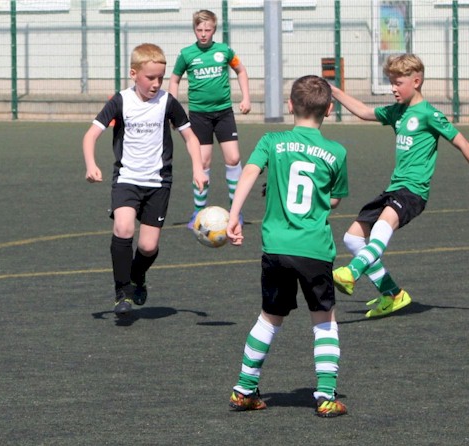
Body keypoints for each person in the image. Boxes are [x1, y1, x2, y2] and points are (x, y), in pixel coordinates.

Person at [329, 53, 469, 318]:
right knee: (352, 237)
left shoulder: (429, 114)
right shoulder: (397, 112)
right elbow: (363, 111)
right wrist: (334, 91)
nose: (393, 89)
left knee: (382, 227)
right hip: (394, 189)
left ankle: (352, 271)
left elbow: (461, 141)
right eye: (391, 83)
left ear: (416, 82)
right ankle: (393, 294)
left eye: (398, 83)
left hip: (413, 191)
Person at [226, 75, 349, 418]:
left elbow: (248, 173)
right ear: (329, 108)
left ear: (290, 105)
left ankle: (244, 389)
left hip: (276, 247)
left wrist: (234, 215)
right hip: (314, 249)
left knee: (269, 317)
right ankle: (326, 396)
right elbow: (334, 200)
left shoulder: (272, 141)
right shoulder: (337, 152)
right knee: (324, 320)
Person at [83, 43, 208, 317]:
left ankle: (138, 275)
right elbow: (91, 135)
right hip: (126, 179)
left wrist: (198, 169)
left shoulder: (167, 102)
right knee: (123, 228)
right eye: (150, 77)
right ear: (133, 74)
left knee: (148, 246)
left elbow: (190, 137)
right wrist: (91, 164)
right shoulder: (120, 101)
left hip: (158, 182)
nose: (156, 84)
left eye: (160, 78)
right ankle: (122, 291)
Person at [168, 9, 251, 227]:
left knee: (233, 158)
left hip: (224, 113)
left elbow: (241, 71)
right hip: (199, 115)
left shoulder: (224, 51)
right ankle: (198, 213)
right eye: (199, 30)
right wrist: (173, 110)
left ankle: (235, 212)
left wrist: (246, 97)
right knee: (203, 161)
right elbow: (174, 80)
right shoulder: (186, 54)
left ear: (214, 29)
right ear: (194, 30)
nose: (203, 34)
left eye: (208, 29)